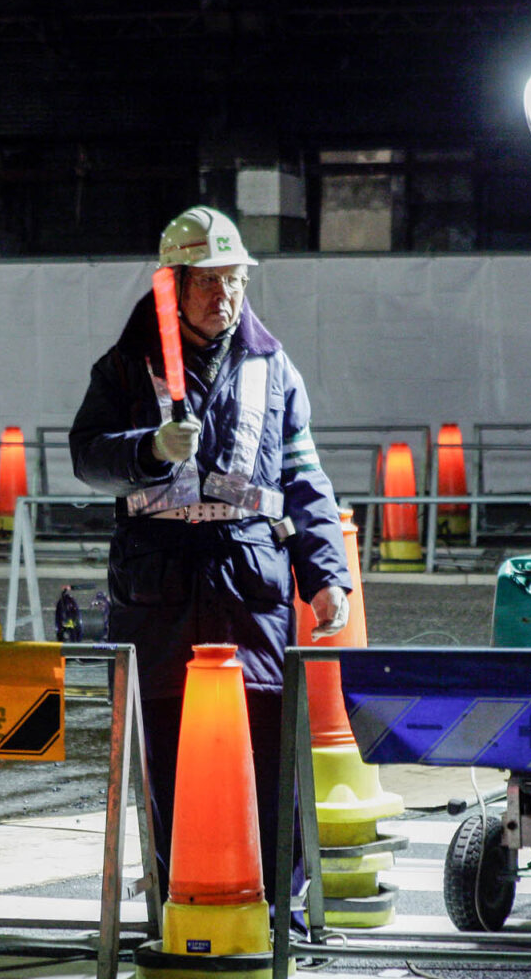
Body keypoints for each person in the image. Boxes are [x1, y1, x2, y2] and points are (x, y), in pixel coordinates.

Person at [70, 205, 350, 912]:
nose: (225, 297)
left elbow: (305, 478)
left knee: (266, 744)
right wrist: (147, 449)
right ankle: (177, 893)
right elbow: (86, 455)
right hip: (158, 582)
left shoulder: (273, 365)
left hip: (247, 580)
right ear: (174, 284)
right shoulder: (125, 366)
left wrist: (325, 575)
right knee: (163, 747)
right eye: (208, 283)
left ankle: (277, 905)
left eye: (235, 281)